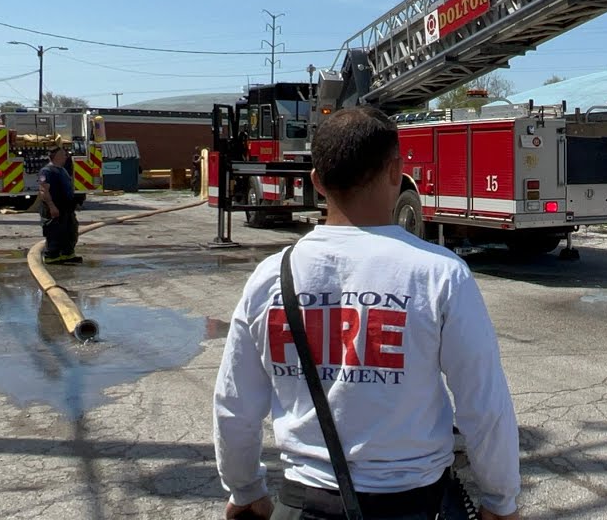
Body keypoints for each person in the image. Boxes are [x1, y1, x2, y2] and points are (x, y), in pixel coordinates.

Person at [212, 105, 521, 520]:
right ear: (396, 172)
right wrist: (500, 501)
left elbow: (234, 404)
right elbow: (483, 405)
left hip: (303, 504)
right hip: (415, 505)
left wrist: (246, 490)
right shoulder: (441, 275)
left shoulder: (271, 277)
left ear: (317, 182)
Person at [38, 147, 80, 264]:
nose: (66, 156)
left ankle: (67, 254)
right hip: (54, 207)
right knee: (54, 232)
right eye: (63, 154)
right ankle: (52, 256)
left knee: (70, 231)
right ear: (56, 156)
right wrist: (51, 206)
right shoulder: (46, 171)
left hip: (65, 208)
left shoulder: (62, 170)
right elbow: (43, 191)